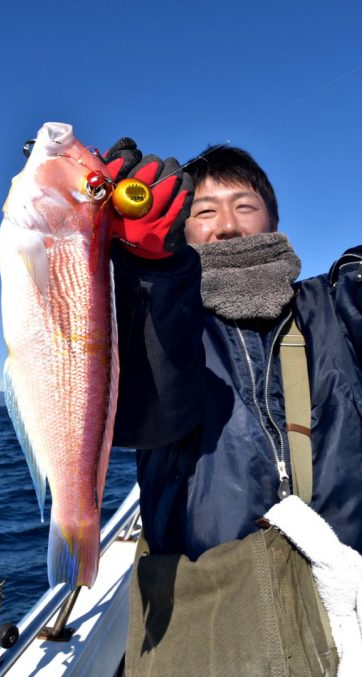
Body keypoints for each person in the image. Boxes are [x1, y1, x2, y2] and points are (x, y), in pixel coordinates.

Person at [104, 140, 362, 676]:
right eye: (203, 210)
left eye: (244, 206)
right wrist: (147, 275)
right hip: (214, 614)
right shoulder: (166, 325)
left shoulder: (334, 304)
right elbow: (144, 416)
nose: (225, 225)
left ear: (273, 219)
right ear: (179, 225)